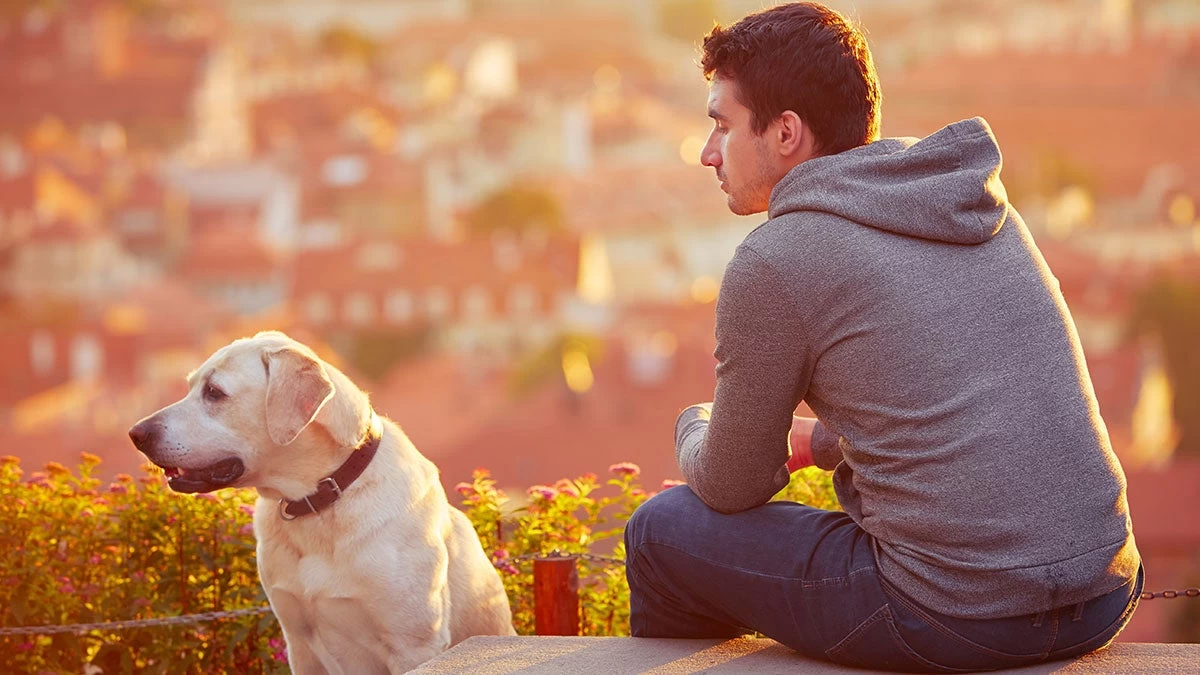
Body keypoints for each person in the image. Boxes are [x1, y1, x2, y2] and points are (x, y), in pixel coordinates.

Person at [622, 2, 1143, 671]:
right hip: (1104, 591)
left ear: (785, 132)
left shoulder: (778, 257)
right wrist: (828, 441)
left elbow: (731, 484)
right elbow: (967, 396)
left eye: (721, 124)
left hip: (954, 615)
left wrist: (693, 424)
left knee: (660, 532)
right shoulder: (970, 204)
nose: (706, 152)